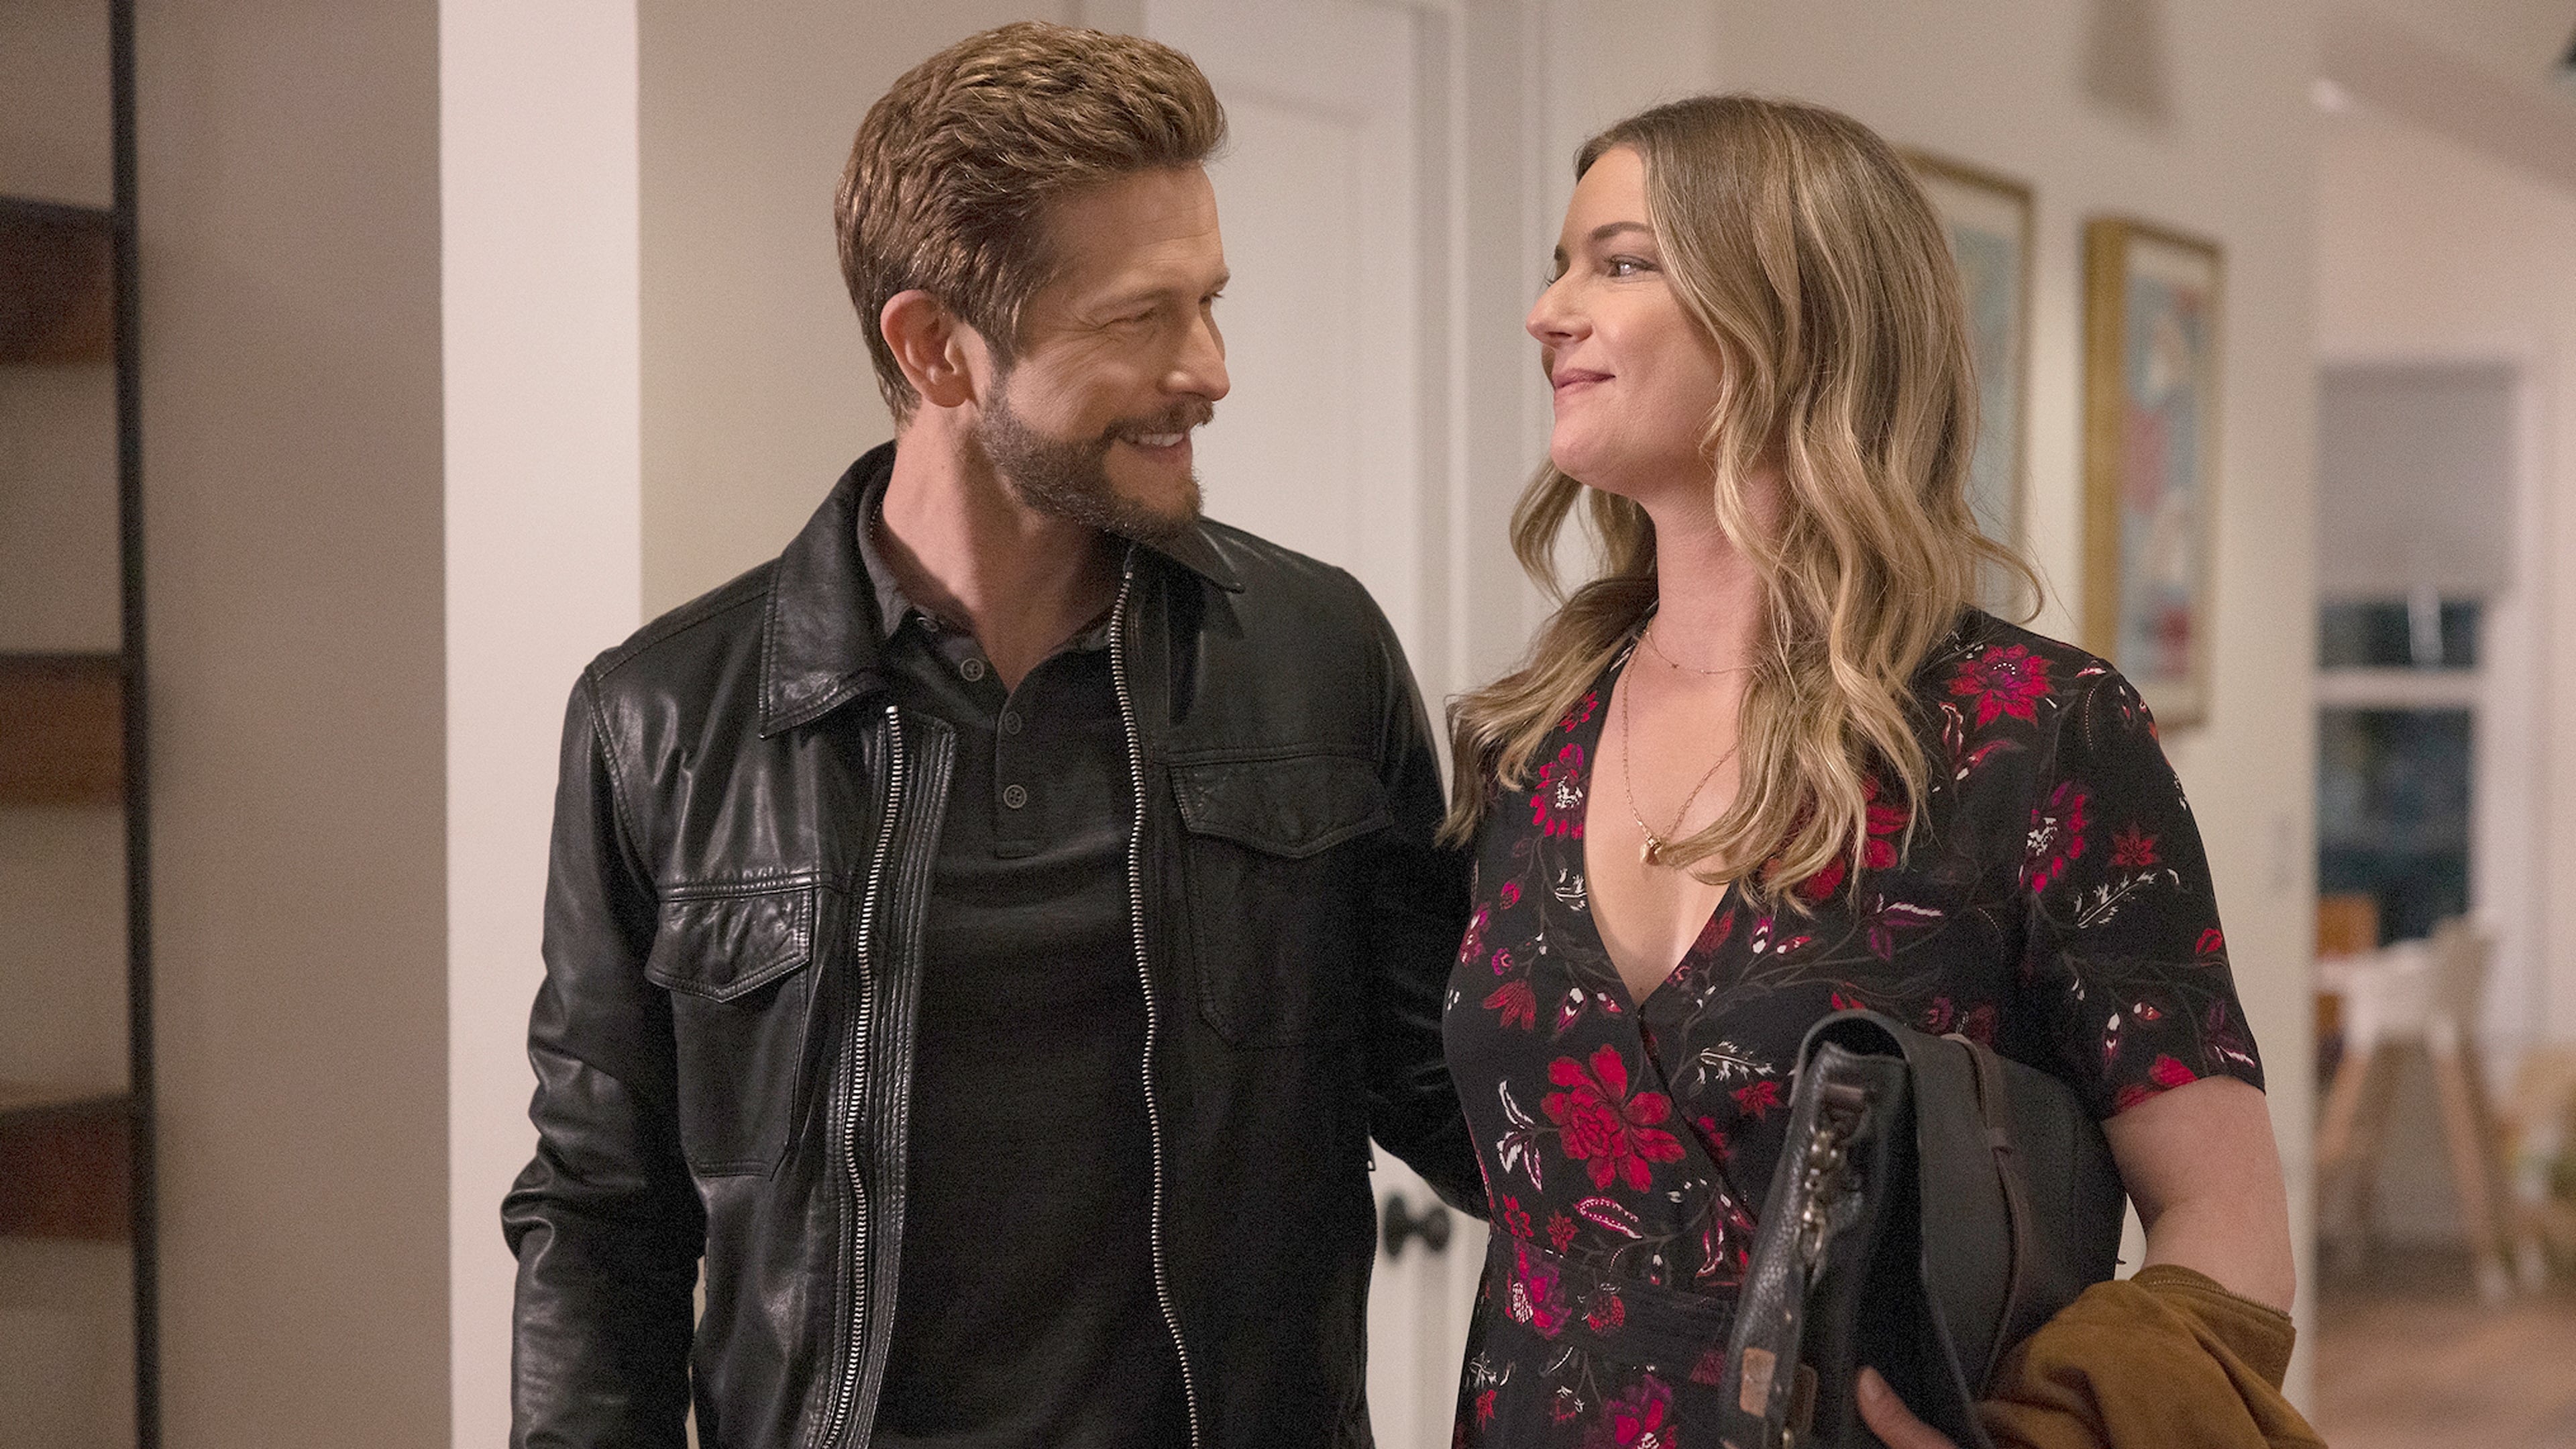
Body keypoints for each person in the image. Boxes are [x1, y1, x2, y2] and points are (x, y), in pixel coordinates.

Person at [502, 23, 1476, 1449]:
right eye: (1141, 318)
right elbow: (599, 1212)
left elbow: (1469, 1097)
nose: (1210, 369)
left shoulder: (1315, 657)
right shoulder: (661, 718)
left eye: (1210, 303)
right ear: (936, 348)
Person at [1440, 95, 2316, 1448]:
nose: (1549, 313)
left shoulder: (2035, 732)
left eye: (1618, 264)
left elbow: (2231, 1229)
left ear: (1791, 312)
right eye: (1562, 267)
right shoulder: (1528, 740)